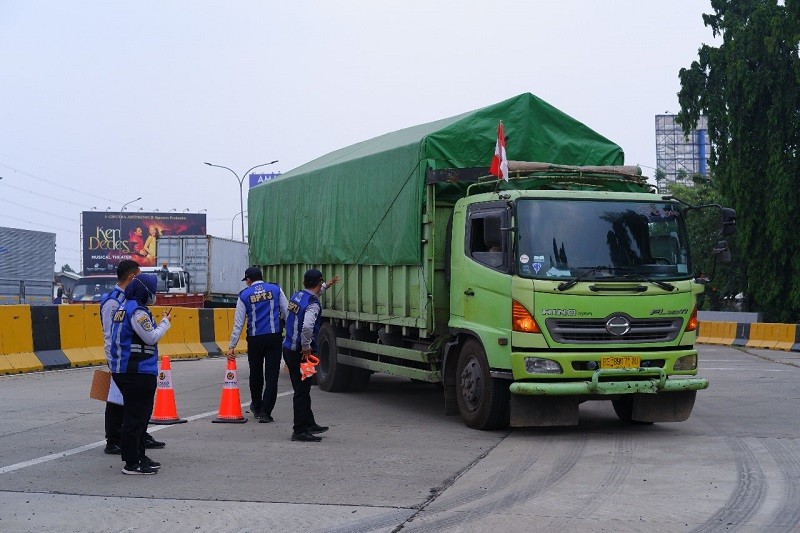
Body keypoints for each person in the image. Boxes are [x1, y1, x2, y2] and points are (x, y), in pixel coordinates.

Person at [100, 260, 165, 455]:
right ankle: (113, 439)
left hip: (130, 358)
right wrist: (113, 360)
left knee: (133, 405)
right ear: (132, 277)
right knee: (116, 401)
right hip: (121, 358)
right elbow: (110, 333)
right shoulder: (113, 300)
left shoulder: (132, 300)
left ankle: (139, 436)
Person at [109, 273, 172, 475]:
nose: (154, 295)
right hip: (137, 371)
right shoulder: (137, 311)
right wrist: (165, 323)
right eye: (152, 291)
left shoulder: (122, 308)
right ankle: (132, 462)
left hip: (126, 370)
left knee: (138, 416)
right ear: (144, 291)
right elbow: (151, 337)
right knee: (136, 418)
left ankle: (139, 455)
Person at [282, 269, 340, 442]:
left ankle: (309, 423)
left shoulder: (297, 296)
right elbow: (307, 327)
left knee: (304, 389)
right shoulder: (312, 304)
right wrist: (306, 347)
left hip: (289, 349)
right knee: (301, 391)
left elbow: (314, 292)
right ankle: (299, 430)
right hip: (301, 353)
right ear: (317, 283)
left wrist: (326, 285)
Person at [227, 267, 288, 423]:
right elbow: (287, 312)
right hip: (274, 337)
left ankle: (257, 407)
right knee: (272, 375)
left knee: (255, 373)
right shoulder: (275, 289)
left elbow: (238, 323)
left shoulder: (244, 295)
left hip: (255, 339)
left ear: (248, 280)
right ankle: (266, 413)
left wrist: (232, 345)